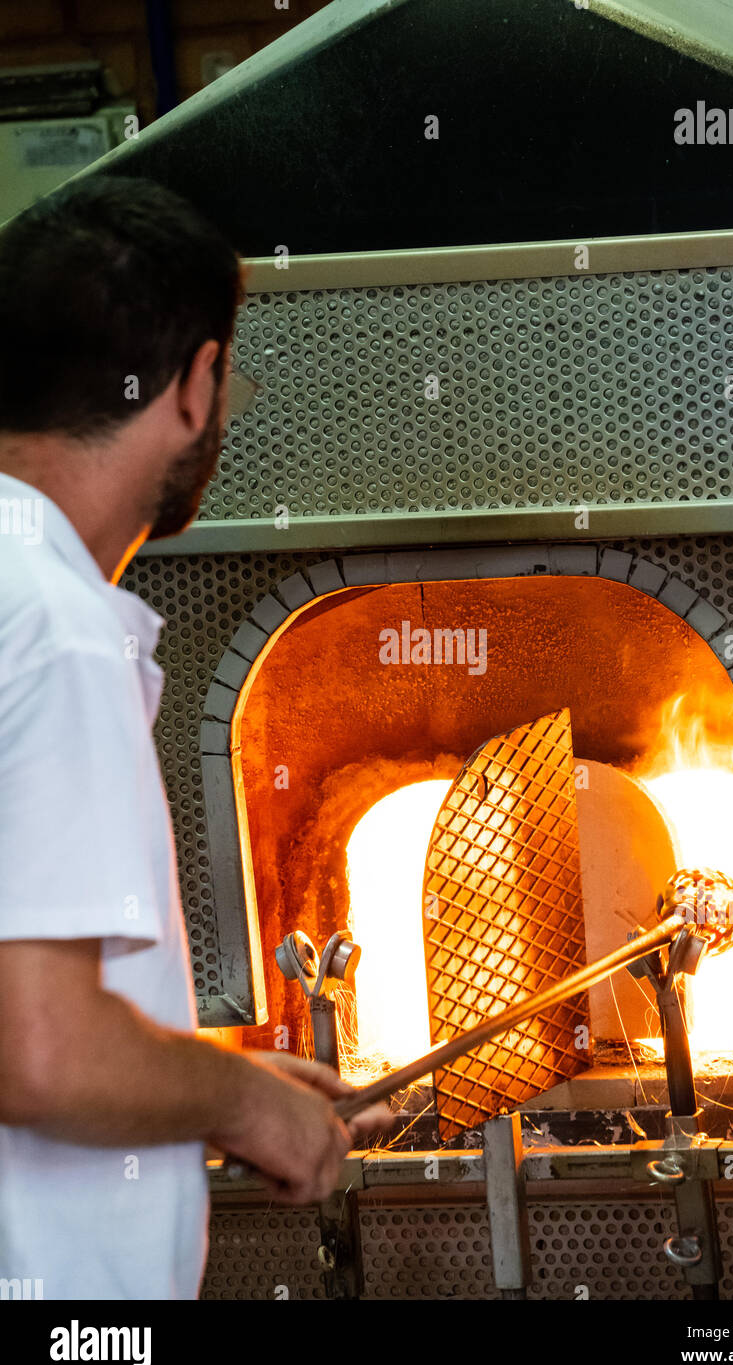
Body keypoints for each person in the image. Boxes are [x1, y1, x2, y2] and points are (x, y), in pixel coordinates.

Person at [0, 174, 390, 1300]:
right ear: (197, 381)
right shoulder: (50, 624)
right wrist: (243, 1103)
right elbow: (37, 1045)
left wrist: (190, 1075)